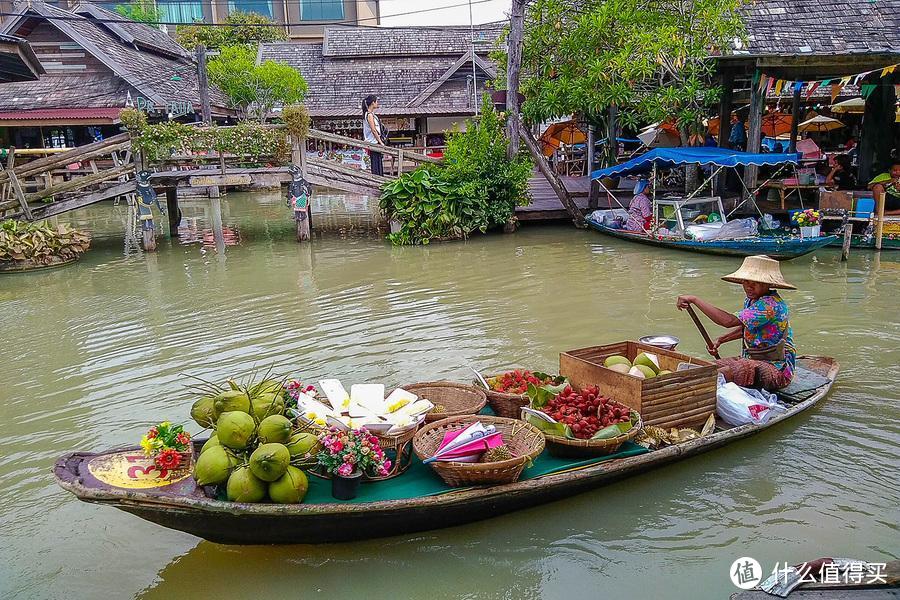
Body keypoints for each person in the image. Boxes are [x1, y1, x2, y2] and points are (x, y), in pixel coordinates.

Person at [676, 255, 796, 391]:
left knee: (729, 372)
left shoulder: (770, 305)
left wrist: (694, 299)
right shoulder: (752, 300)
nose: (749, 287)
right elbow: (747, 327)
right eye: (746, 281)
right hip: (751, 359)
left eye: (755, 283)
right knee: (709, 367)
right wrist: (720, 340)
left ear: (768, 284)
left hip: (777, 369)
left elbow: (728, 321)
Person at [362, 95, 385, 176]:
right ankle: (377, 179)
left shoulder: (371, 114)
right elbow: (374, 130)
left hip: (374, 142)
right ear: (373, 103)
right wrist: (380, 142)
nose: (377, 103)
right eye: (376, 101)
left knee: (377, 162)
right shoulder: (369, 115)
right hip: (374, 142)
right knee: (376, 163)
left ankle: (379, 178)